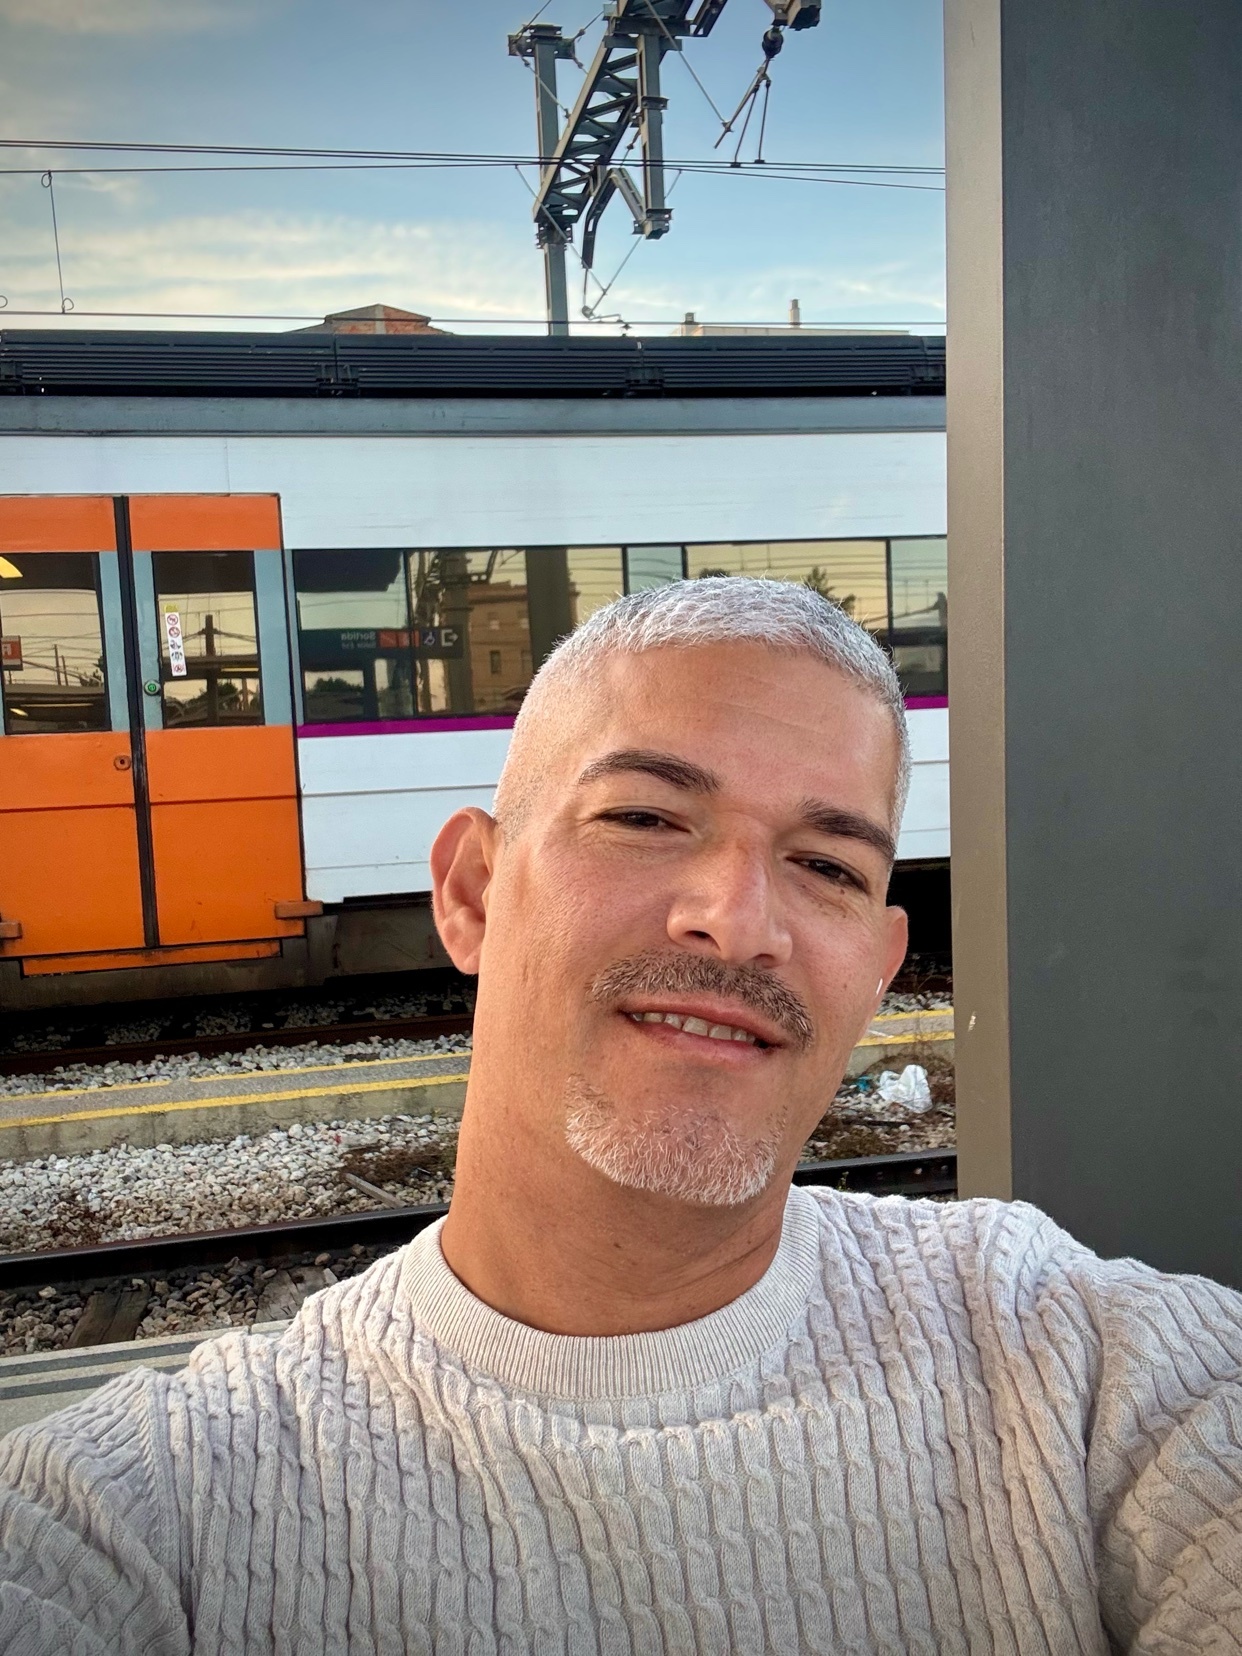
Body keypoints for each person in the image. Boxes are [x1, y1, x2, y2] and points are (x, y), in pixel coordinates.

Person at [2, 576, 1241, 1654]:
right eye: (646, 817)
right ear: (472, 893)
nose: (739, 919)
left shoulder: (1077, 1365)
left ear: (878, 964)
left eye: (829, 866)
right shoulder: (138, 1523)